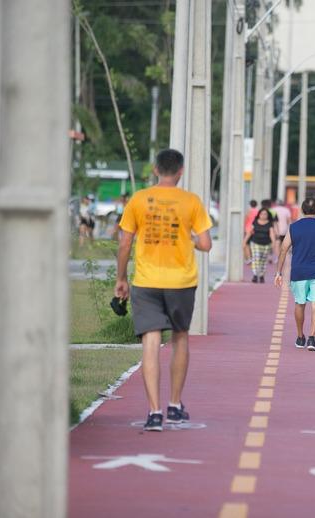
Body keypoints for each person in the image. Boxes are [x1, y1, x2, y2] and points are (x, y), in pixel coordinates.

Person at [114, 149, 213, 432]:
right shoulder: (191, 201)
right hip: (181, 281)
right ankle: (174, 403)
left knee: (151, 341)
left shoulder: (139, 199)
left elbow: (124, 244)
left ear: (156, 169)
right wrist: (188, 239)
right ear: (180, 171)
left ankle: (154, 412)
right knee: (180, 338)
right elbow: (206, 244)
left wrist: (121, 279)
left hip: (146, 281)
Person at [275, 198, 315, 352]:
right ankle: (312, 338)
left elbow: (283, 249)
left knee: (300, 303)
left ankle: (300, 336)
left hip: (299, 271)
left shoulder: (294, 227)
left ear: (302, 210)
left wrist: (278, 272)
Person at [244, 207, 277, 283]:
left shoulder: (269, 223)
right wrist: (245, 241)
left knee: (263, 260)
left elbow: (271, 234)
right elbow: (250, 232)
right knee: (256, 258)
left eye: (265, 214)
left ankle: (261, 275)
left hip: (266, 244)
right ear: (259, 214)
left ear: (267, 215)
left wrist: (273, 243)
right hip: (255, 243)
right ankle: (255, 275)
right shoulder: (255, 222)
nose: (263, 215)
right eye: (262, 214)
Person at [244, 200, 260, 264]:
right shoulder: (258, 212)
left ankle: (249, 258)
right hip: (256, 229)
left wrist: (243, 229)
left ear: (250, 204)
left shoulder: (248, 212)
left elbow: (245, 221)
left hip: (248, 229)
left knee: (246, 244)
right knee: (254, 244)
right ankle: (254, 258)